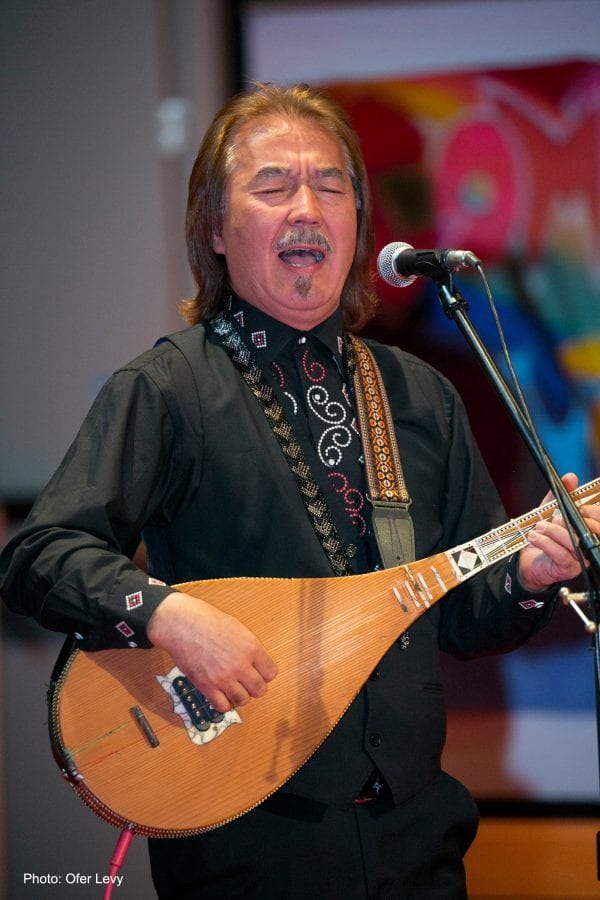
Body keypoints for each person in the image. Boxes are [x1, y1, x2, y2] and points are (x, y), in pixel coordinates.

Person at [1, 83, 598, 900]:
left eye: (330, 186)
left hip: (417, 839)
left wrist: (529, 576)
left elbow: (464, 617)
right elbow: (39, 555)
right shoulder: (169, 387)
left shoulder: (420, 396)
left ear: (358, 223)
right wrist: (169, 615)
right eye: (274, 186)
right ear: (215, 230)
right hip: (247, 841)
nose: (307, 209)